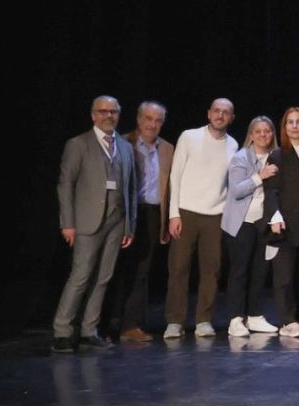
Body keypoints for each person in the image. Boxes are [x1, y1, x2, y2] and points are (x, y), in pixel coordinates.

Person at [53, 96, 138, 352]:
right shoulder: (78, 144)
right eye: (102, 111)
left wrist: (129, 225)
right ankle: (62, 331)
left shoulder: (125, 146)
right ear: (93, 115)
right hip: (87, 220)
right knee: (81, 276)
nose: (108, 116)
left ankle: (89, 330)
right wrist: (67, 223)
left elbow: (131, 188)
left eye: (113, 112)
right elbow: (65, 184)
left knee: (103, 277)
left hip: (116, 220)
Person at [165, 98, 237, 339]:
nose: (220, 115)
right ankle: (175, 321)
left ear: (231, 118)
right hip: (186, 212)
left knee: (211, 270)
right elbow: (175, 175)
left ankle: (204, 320)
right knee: (179, 268)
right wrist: (174, 214)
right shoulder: (189, 137)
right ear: (208, 113)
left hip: (215, 216)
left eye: (225, 112)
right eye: (216, 111)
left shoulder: (233, 145)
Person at [105, 100, 172, 342]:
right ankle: (103, 325)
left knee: (141, 272)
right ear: (138, 119)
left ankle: (130, 325)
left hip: (151, 214)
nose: (152, 124)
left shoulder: (167, 149)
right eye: (148, 119)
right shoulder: (122, 143)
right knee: (113, 268)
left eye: (158, 120)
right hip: (123, 213)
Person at [220, 116, 281, 337]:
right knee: (240, 271)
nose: (263, 135)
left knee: (260, 271)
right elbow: (236, 190)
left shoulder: (277, 156)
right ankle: (236, 318)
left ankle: (254, 316)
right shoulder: (241, 157)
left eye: (267, 131)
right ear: (251, 135)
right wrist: (259, 176)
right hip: (242, 223)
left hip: (264, 223)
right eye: (258, 131)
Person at [262, 107, 299, 338]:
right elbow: (271, 189)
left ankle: (298, 317)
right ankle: (287, 321)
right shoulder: (278, 155)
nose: (295, 126)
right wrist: (275, 216)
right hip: (286, 222)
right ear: (284, 127)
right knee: (284, 275)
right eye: (290, 122)